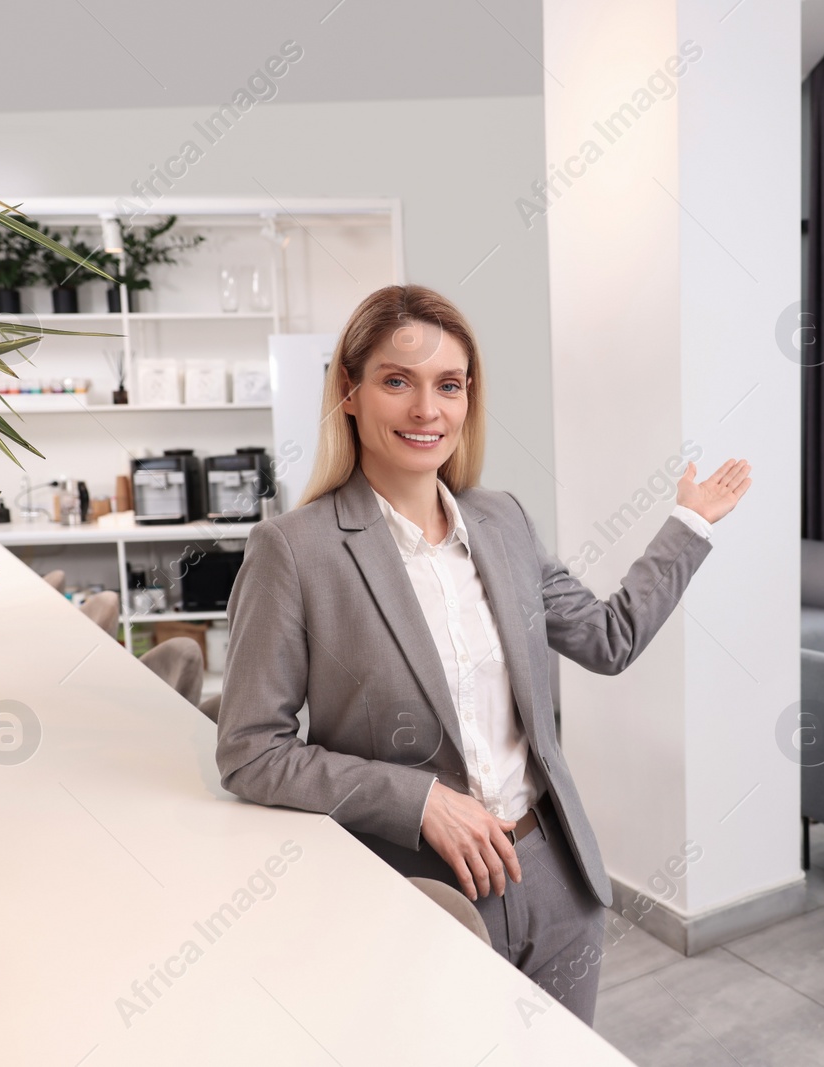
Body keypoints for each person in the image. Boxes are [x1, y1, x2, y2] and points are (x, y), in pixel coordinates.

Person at [215, 284, 750, 1024]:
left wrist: (688, 523)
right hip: (418, 893)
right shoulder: (295, 552)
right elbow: (250, 751)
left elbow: (608, 637)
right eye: (397, 381)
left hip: (556, 884)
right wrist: (419, 799)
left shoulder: (502, 520)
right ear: (349, 391)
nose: (426, 410)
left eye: (449, 385)